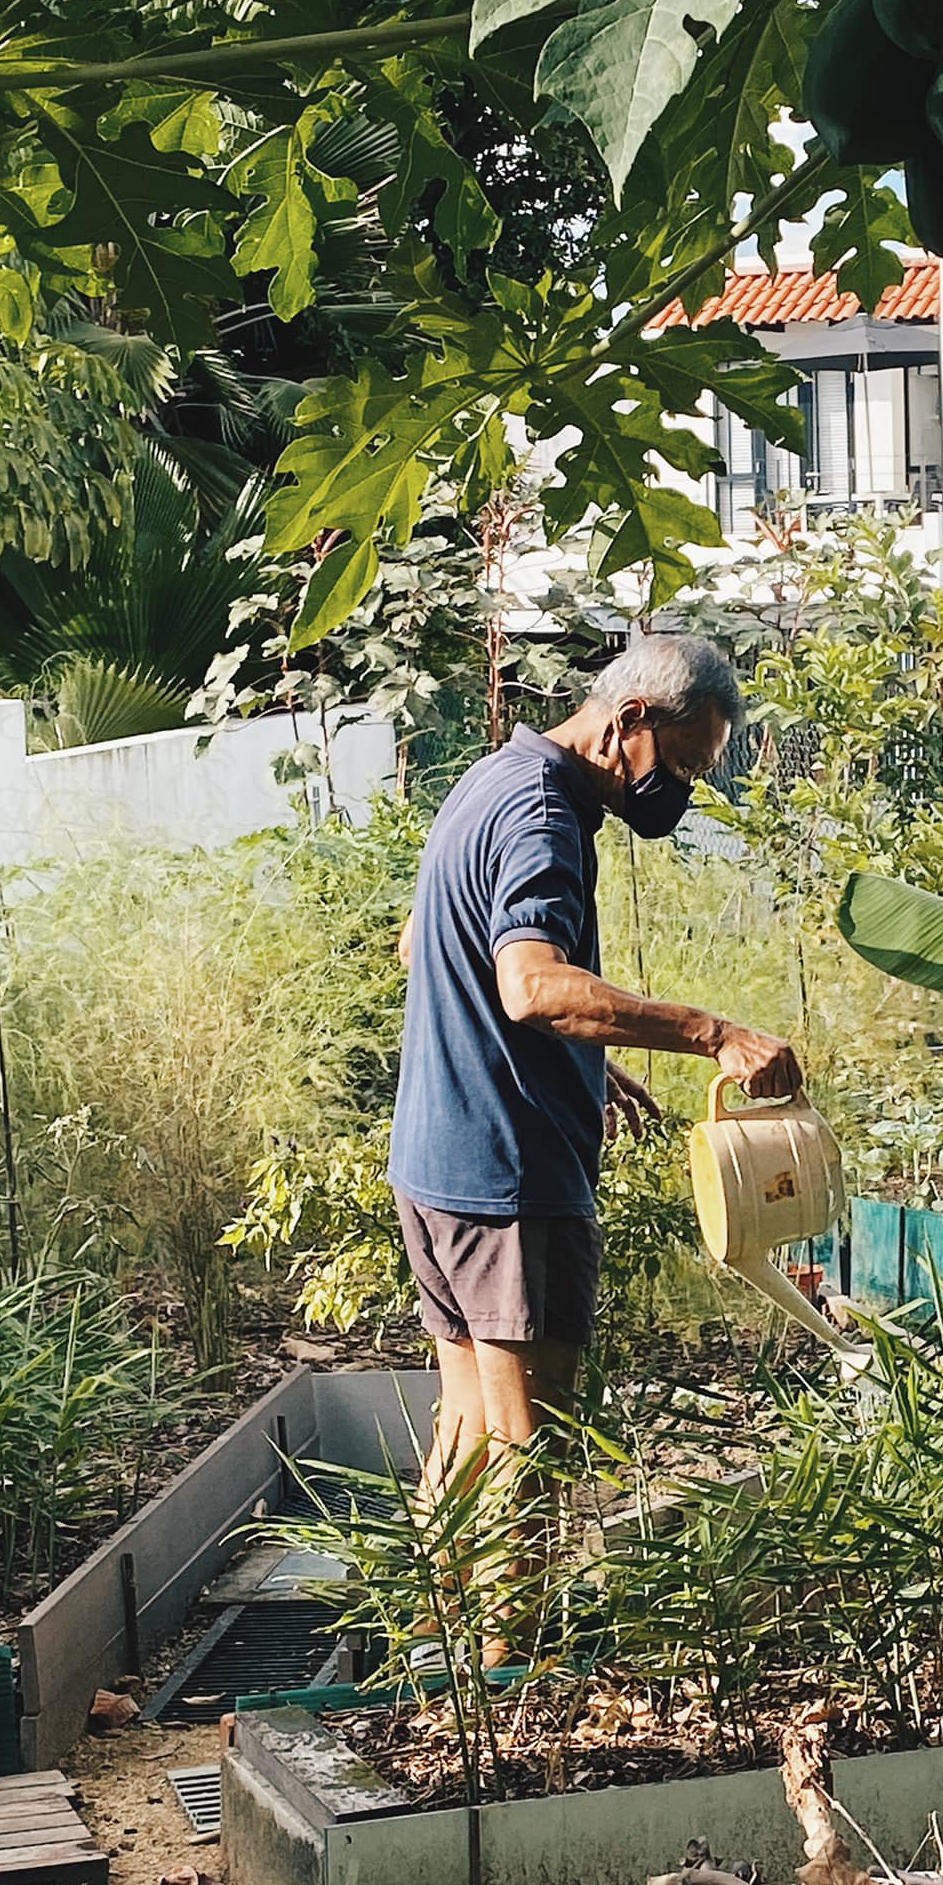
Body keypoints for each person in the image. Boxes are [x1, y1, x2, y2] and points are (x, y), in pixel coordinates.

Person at [389, 634, 801, 1652]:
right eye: (686, 766)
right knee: (535, 1448)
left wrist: (585, 1057)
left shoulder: (495, 776)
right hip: (511, 1177)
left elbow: (426, 940)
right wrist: (714, 1031)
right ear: (629, 723)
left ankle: (438, 1653)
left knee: (469, 1427)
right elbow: (530, 984)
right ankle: (507, 1679)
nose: (683, 792)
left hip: (435, 1166)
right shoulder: (545, 813)